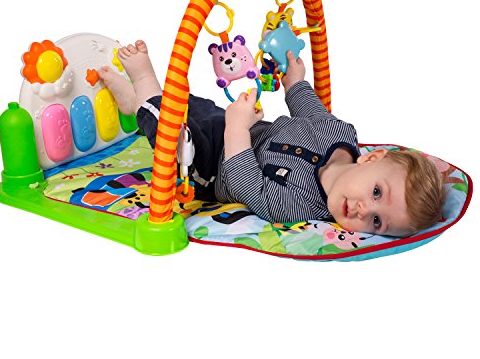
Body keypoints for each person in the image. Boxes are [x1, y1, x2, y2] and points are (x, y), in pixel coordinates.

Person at [98, 40, 445, 237]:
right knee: (191, 105)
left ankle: (141, 83)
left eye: (376, 222)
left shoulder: (301, 206)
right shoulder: (341, 134)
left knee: (173, 133)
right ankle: (138, 104)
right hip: (240, 124)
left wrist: (236, 129)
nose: (363, 210)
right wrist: (295, 81)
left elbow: (246, 183)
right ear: (371, 158)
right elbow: (310, 110)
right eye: (376, 193)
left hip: (212, 165)